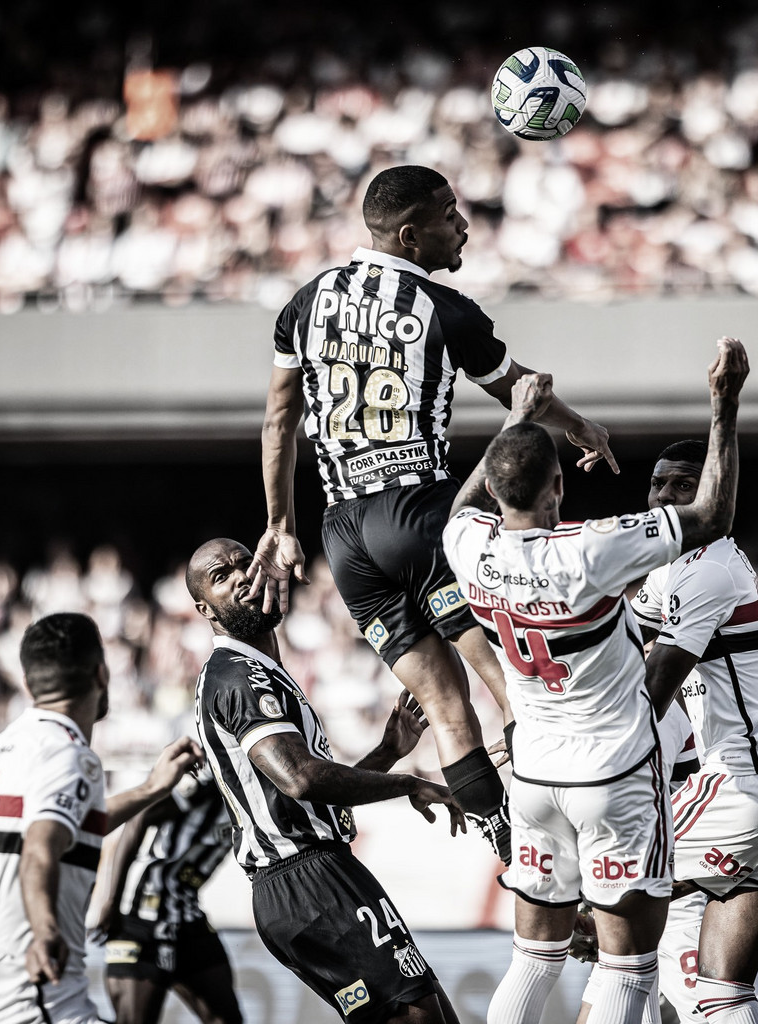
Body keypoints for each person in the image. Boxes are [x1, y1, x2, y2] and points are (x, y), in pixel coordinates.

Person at [250, 164, 618, 864]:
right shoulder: (445, 310)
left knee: (445, 709)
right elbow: (522, 391)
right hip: (421, 516)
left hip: (345, 534)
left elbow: (278, 418)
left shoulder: (304, 303)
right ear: (412, 234)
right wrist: (580, 427)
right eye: (451, 216)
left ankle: (508, 847)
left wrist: (279, 525)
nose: (465, 226)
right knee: (513, 687)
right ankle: (563, 849)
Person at [441, 337, 748, 1024]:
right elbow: (713, 519)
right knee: (628, 967)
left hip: (536, 777)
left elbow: (462, 509)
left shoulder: (466, 547)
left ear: (494, 486)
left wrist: (517, 421)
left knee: (533, 958)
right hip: (614, 776)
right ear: (559, 487)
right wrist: (723, 407)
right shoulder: (591, 548)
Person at [189, 536, 466, 1024]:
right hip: (305, 883)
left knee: (434, 1012)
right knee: (416, 1018)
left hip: (319, 875)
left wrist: (385, 753)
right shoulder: (238, 674)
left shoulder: (261, 670)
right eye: (220, 576)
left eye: (242, 565)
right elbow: (299, 779)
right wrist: (408, 783)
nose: (239, 578)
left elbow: (315, 797)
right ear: (205, 609)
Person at [637, 439, 758, 1024]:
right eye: (658, 484)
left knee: (613, 890)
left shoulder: (710, 569)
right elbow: (625, 642)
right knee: (726, 990)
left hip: (750, 790)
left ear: (711, 494)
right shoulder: (677, 568)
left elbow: (651, 689)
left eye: (682, 486)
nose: (665, 497)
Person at [0, 612, 204, 1024]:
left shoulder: (7, 745)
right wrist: (45, 930)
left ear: (28, 681)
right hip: (37, 1002)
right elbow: (40, 849)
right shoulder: (69, 754)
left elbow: (69, 828)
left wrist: (149, 790)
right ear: (101, 673)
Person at [577, 702, 758, 1024]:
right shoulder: (640, 716)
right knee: (730, 1001)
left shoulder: (726, 722)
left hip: (752, 893)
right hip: (684, 904)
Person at [92, 764, 242, 1024]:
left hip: (187, 914)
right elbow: (139, 818)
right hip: (141, 914)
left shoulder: (260, 790)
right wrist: (113, 901)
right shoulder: (213, 776)